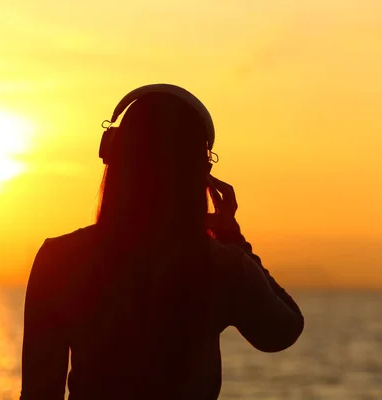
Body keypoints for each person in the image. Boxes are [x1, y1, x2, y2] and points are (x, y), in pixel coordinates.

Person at [20, 84, 304, 400]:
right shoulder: (223, 267)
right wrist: (233, 237)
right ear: (200, 174)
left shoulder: (58, 260)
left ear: (113, 154)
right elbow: (283, 331)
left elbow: (38, 393)